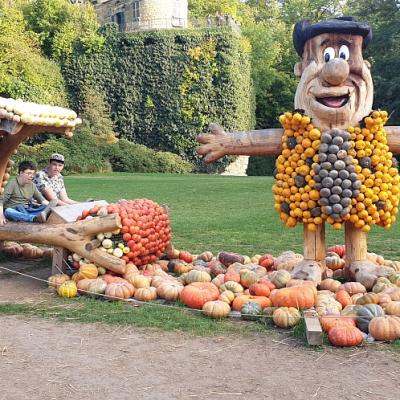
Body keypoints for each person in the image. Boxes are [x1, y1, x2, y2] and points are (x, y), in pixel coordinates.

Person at [0, 161, 57, 225]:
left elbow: (43, 200)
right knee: (8, 211)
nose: (31, 176)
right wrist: (1, 216)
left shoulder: (32, 185)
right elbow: (1, 201)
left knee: (51, 203)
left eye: (33, 174)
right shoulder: (12, 183)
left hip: (27, 210)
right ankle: (34, 218)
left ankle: (41, 215)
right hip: (15, 212)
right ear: (21, 173)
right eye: (28, 173)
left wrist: (49, 206)